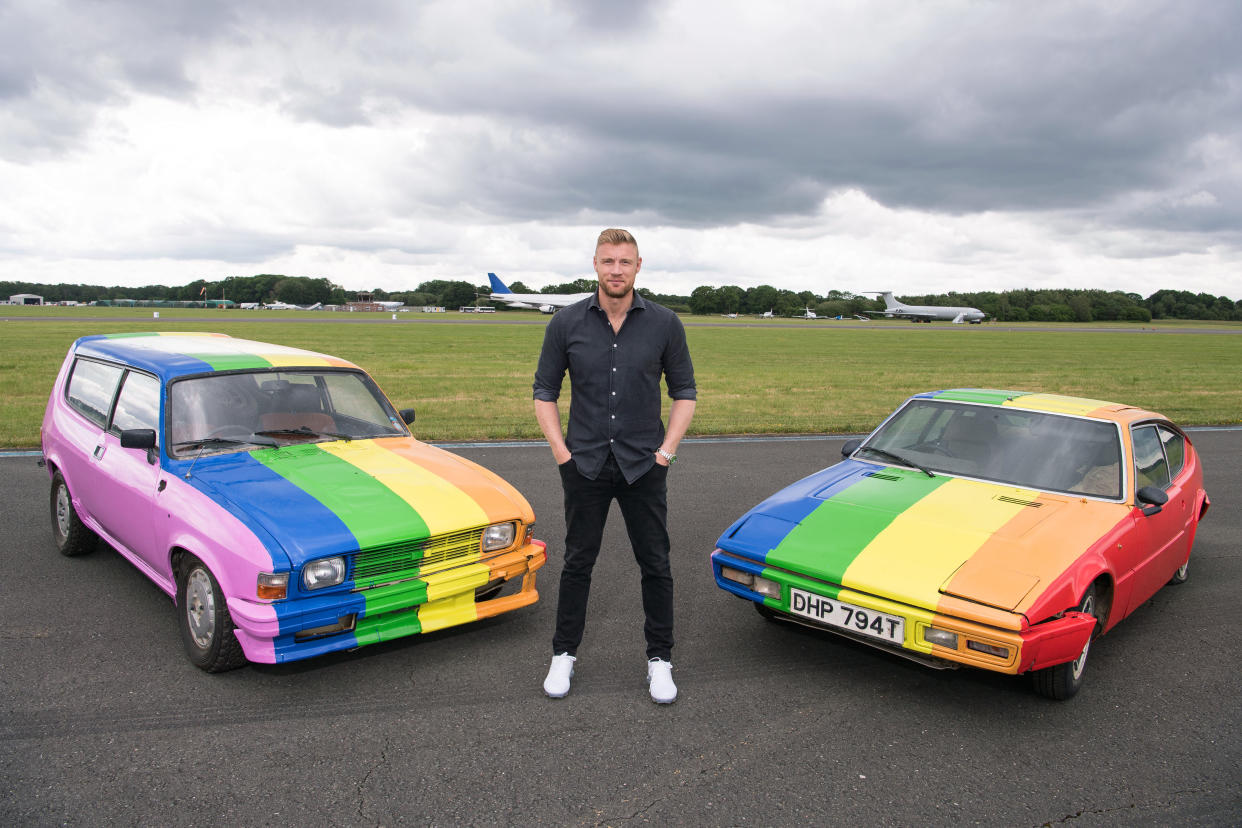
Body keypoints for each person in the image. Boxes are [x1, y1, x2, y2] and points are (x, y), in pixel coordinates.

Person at [532, 228, 697, 704]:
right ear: (595, 265)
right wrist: (561, 453)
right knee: (578, 563)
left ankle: (660, 660)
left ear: (638, 266)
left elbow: (684, 392)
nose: (616, 270)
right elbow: (545, 392)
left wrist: (666, 453)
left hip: (644, 466)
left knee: (656, 564)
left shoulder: (665, 324)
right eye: (608, 262)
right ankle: (563, 654)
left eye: (625, 262)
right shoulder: (565, 323)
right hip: (583, 464)